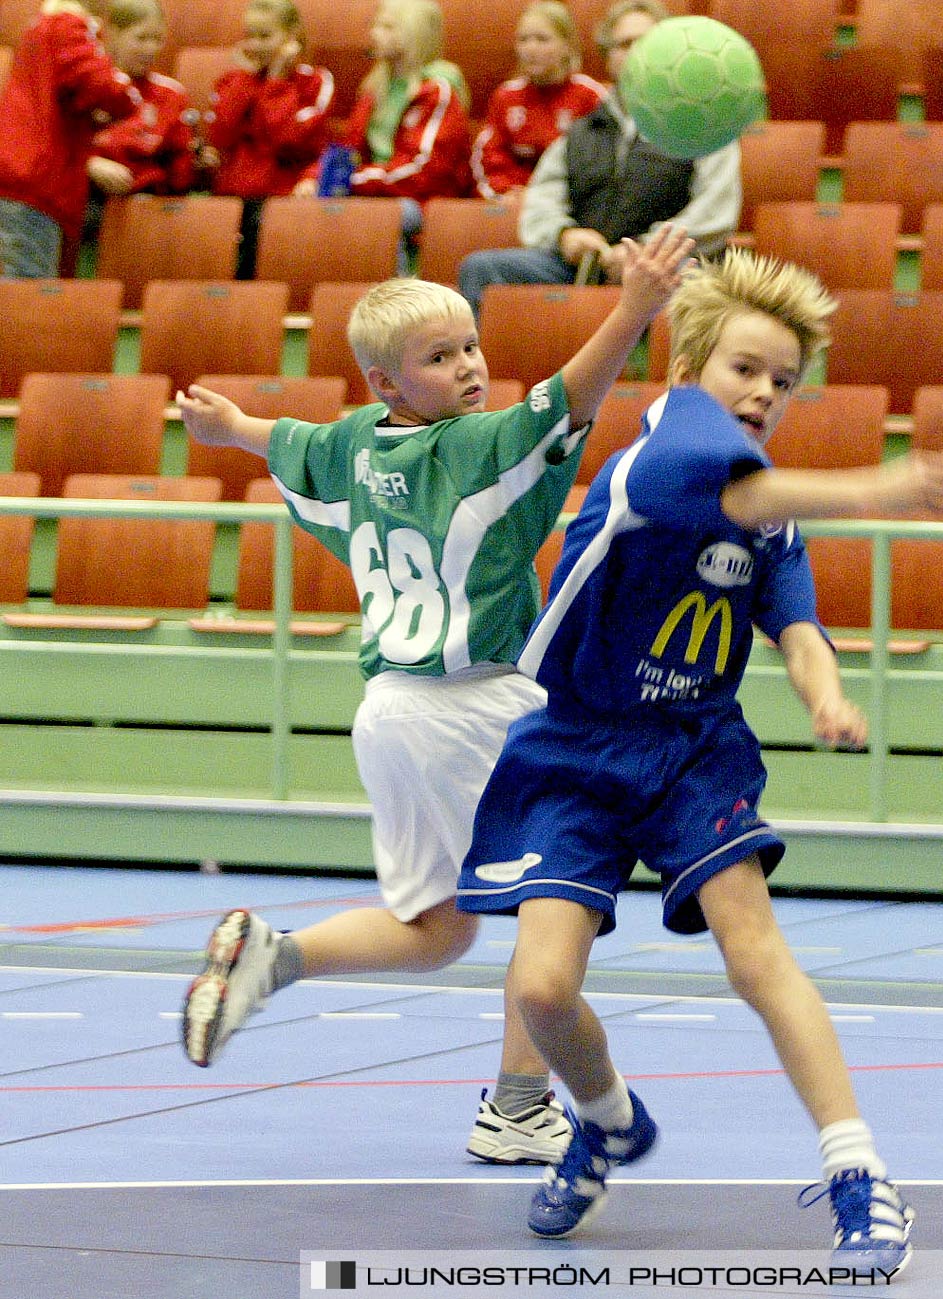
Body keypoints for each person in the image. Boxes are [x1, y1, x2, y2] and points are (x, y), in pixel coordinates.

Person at [453, 247, 943, 1266]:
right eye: (747, 368)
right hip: (574, 747)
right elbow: (731, 495)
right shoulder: (667, 448)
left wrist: (827, 696)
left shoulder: (763, 495)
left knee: (758, 954)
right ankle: (604, 1118)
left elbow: (794, 615)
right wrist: (884, 484)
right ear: (696, 364)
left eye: (784, 381)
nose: (765, 393)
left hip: (693, 751)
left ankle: (860, 1177)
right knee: (544, 991)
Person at [174, 226, 697, 1168]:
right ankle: (522, 1104)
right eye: (439, 356)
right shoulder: (482, 447)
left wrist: (227, 430)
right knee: (556, 898)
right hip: (475, 703)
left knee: (438, 929)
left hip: (389, 712)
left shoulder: (347, 449)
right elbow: (571, 396)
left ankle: (273, 955)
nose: (468, 367)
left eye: (470, 346)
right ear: (385, 381)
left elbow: (283, 442)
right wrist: (635, 308)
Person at [456, 0, 740, 315]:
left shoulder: (703, 127)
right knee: (482, 269)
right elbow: (542, 202)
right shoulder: (582, 130)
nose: (635, 52)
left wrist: (646, 251)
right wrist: (565, 236)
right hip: (582, 266)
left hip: (664, 267)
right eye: (623, 44)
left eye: (646, 42)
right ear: (608, 57)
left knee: (700, 290)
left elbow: (715, 213)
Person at [296, 0, 472, 248]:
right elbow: (348, 149)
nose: (374, 34)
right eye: (375, 25)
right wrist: (315, 178)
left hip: (419, 200)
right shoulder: (376, 87)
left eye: (388, 27)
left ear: (414, 35)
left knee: (381, 218)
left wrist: (348, 181)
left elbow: (423, 171)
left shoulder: (437, 90)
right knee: (308, 211)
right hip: (373, 191)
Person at [0, 0, 138, 277]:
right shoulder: (69, 24)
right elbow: (107, 88)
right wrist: (127, 91)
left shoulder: (44, 26)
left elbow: (74, 91)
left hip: (21, 176)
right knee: (24, 297)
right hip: (34, 182)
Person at [204, 0, 336, 279]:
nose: (255, 44)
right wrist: (247, 80)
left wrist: (276, 81)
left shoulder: (316, 82)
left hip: (282, 195)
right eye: (250, 35)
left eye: (265, 36)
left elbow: (285, 140)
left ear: (291, 37)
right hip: (233, 194)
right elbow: (221, 135)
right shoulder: (233, 82)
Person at [472, 1, 603, 205]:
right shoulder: (506, 97)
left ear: (567, 45)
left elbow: (599, 163)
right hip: (514, 203)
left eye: (542, 39)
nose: (530, 49)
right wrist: (507, 191)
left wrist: (545, 198)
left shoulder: (590, 97)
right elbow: (489, 158)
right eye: (523, 39)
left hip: (570, 203)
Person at [87, 0, 197, 204]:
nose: (151, 49)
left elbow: (180, 170)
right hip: (86, 198)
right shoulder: (86, 85)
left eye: (157, 40)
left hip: (148, 203)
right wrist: (90, 164)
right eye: (142, 38)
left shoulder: (171, 94)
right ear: (112, 34)